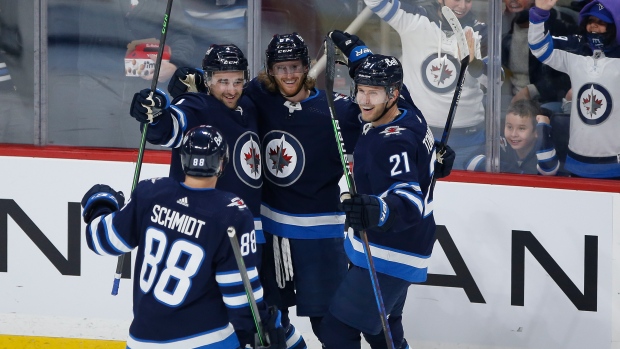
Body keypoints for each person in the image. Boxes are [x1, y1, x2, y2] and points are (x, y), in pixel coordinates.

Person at [81, 125, 286, 348]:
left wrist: (101, 205)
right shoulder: (231, 212)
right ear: (222, 163)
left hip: (141, 341)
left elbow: (102, 240)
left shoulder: (150, 193)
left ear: (183, 160)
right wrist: (265, 326)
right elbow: (240, 298)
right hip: (204, 340)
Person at [319, 51, 441, 348]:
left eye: (373, 93)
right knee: (380, 328)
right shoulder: (408, 107)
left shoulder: (393, 141)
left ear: (392, 94)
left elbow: (409, 200)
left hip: (390, 250)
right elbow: (373, 66)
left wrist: (380, 211)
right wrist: (355, 49)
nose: (364, 100)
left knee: (337, 330)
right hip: (403, 243)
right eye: (360, 91)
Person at [129, 43, 265, 250]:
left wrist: (198, 74)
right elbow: (170, 127)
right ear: (209, 81)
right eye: (223, 82)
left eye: (238, 81)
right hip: (206, 230)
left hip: (250, 231)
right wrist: (155, 116)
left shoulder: (248, 104)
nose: (231, 90)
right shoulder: (198, 106)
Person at [364, 0, 488, 170]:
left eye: (468, 0)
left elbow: (497, 81)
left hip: (469, 140)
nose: (462, 5)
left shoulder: (480, 31)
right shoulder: (414, 19)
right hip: (417, 134)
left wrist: (473, 63)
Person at [63, 0, 194, 148]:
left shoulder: (166, 3)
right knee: (95, 158)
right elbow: (69, 41)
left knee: (145, 159)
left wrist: (173, 65)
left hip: (147, 97)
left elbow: (183, 37)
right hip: (97, 93)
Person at [529, 0, 620, 178]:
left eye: (602, 22)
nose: (594, 25)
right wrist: (539, 15)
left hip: (614, 163)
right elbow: (539, 48)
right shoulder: (576, 52)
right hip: (578, 160)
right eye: (590, 20)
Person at [502, 0, 578, 114]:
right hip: (512, 101)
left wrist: (532, 91)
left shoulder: (561, 24)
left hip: (544, 102)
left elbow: (569, 75)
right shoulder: (502, 27)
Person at [501, 100, 560, 174]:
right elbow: (481, 158)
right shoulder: (502, 145)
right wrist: (515, 171)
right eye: (509, 127)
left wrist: (542, 129)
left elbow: (549, 171)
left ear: (536, 131)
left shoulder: (544, 149)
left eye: (521, 128)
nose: (513, 134)